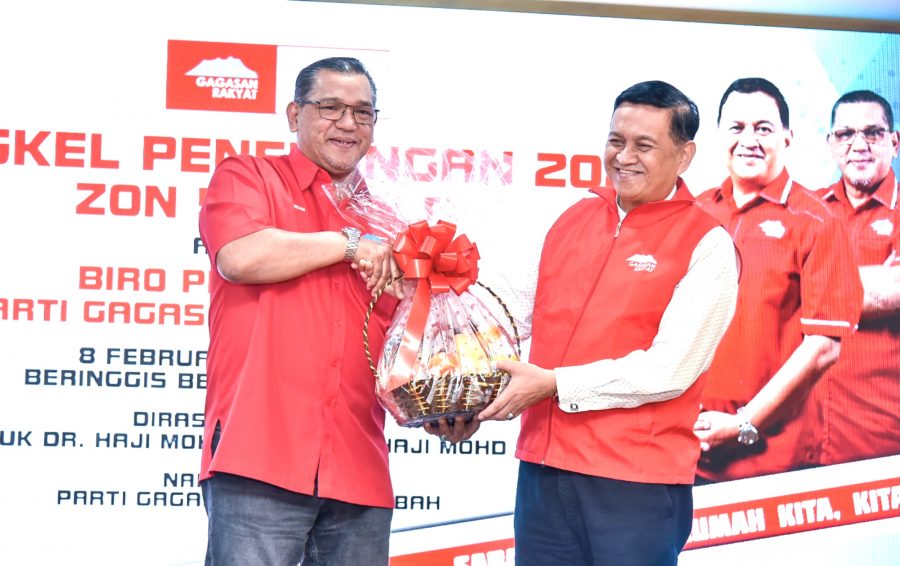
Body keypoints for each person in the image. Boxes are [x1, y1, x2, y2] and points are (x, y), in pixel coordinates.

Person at [478, 80, 739, 565]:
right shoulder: (571, 218)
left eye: (644, 145)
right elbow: (506, 313)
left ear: (684, 156)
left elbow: (669, 370)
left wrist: (555, 384)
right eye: (616, 140)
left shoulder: (708, 243)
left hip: (635, 483)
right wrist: (451, 357)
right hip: (543, 471)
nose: (624, 157)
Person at [198, 57, 404, 566]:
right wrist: (349, 243)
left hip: (359, 470)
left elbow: (403, 346)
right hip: (258, 461)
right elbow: (240, 257)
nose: (348, 123)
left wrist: (445, 408)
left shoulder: (389, 221)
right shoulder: (248, 176)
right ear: (295, 115)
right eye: (330, 107)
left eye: (362, 112)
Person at [693, 78, 863, 482]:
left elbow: (823, 348)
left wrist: (743, 423)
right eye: (737, 127)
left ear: (787, 137)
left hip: (775, 461)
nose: (748, 140)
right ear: (719, 134)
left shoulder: (817, 220)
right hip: (690, 450)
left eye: (763, 128)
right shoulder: (695, 213)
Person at [816, 89, 900, 465]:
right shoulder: (806, 210)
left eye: (873, 133)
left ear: (894, 143)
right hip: (806, 440)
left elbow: (891, 291)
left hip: (883, 436)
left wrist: (799, 283)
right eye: (846, 134)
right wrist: (871, 282)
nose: (859, 145)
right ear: (831, 144)